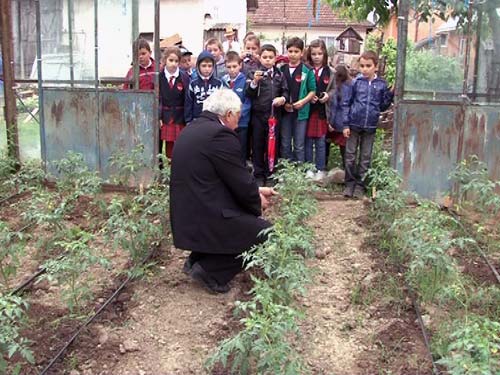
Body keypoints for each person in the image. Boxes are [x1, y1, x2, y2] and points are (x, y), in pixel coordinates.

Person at [170, 89, 275, 293]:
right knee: (264, 232)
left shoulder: (192, 129)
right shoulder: (221, 135)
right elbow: (240, 183)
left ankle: (197, 258)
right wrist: (256, 200)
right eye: (238, 115)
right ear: (227, 115)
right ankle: (211, 271)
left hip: (188, 216)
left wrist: (256, 188)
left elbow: (218, 178)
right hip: (204, 217)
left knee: (236, 217)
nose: (239, 121)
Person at [343, 51, 393, 198]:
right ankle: (349, 184)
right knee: (350, 155)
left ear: (375, 67)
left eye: (368, 66)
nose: (364, 69)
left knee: (365, 157)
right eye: (362, 66)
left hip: (370, 126)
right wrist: (345, 124)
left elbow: (383, 106)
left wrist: (390, 93)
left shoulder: (381, 85)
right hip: (353, 124)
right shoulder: (356, 83)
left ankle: (360, 186)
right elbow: (347, 103)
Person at [246, 44, 289, 187]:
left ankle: (271, 174)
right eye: (265, 57)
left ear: (275, 58)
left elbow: (285, 91)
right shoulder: (254, 73)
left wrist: (283, 99)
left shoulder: (279, 74)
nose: (267, 60)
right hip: (258, 116)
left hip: (274, 117)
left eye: (271, 57)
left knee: (272, 146)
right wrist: (254, 82)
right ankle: (258, 175)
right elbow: (249, 94)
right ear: (259, 58)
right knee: (258, 145)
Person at [280, 37, 316, 163]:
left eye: (296, 51)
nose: (293, 54)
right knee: (285, 142)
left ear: (301, 53)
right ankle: (286, 170)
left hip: (301, 113)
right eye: (290, 51)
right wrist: (283, 103)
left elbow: (312, 90)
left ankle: (299, 172)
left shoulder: (307, 70)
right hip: (285, 112)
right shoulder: (281, 70)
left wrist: (303, 102)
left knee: (299, 144)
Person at [304, 39, 334, 181]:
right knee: (308, 141)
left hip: (322, 112)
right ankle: (309, 168)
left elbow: (336, 90)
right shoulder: (306, 70)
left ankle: (321, 169)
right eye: (314, 54)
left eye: (319, 54)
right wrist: (308, 97)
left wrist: (328, 95)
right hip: (308, 111)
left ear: (324, 54)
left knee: (321, 142)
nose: (316, 56)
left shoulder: (331, 72)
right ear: (310, 54)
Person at [159, 47, 190, 158]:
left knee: (180, 145)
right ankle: (166, 169)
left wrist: (187, 118)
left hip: (180, 117)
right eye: (170, 60)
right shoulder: (159, 77)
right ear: (164, 60)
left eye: (176, 61)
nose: (173, 64)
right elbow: (158, 98)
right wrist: (159, 116)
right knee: (169, 146)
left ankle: (178, 166)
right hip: (165, 116)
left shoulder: (184, 77)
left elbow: (187, 99)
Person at [222, 51, 252, 163]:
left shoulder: (245, 81)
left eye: (234, 66)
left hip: (241, 122)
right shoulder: (223, 81)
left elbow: (248, 102)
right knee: (228, 148)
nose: (232, 69)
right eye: (229, 67)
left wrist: (238, 115)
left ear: (240, 65)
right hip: (226, 122)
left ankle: (242, 170)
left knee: (241, 148)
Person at [184, 50, 223, 124]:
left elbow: (221, 104)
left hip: (214, 121)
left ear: (213, 66)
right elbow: (188, 103)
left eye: (210, 66)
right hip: (197, 120)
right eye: (204, 66)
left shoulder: (218, 84)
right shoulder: (193, 84)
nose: (207, 69)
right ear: (198, 66)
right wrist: (188, 121)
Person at [326, 64, 352, 170]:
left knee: (325, 145)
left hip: (332, 123)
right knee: (344, 149)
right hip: (343, 124)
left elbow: (333, 106)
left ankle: (323, 167)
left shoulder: (333, 86)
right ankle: (347, 171)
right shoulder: (350, 85)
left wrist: (329, 122)